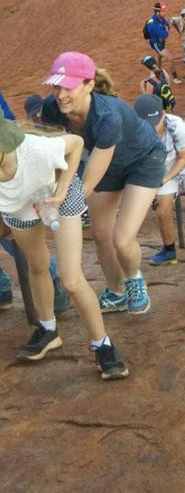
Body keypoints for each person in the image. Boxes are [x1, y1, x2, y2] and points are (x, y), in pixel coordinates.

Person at [0, 117, 129, 378]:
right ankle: (48, 330)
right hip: (17, 205)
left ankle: (102, 343)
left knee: (70, 278)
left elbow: (77, 143)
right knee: (37, 266)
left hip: (59, 190)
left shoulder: (36, 150)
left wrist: (59, 193)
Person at [41, 52, 166, 315]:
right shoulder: (53, 109)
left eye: (69, 86)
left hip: (143, 160)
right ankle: (116, 290)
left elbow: (92, 175)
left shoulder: (108, 116)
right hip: (109, 165)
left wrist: (65, 200)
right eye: (56, 86)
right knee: (100, 234)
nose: (61, 94)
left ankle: (134, 279)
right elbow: (53, 151)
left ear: (89, 84)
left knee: (122, 239)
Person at [133, 94, 185, 264]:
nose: (151, 128)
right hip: (165, 164)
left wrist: (162, 180)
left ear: (163, 114)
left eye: (154, 123)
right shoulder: (136, 129)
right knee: (162, 211)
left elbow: (183, 157)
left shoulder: (177, 126)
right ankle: (169, 250)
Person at [143, 2, 179, 82]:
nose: (165, 13)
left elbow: (166, 24)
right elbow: (164, 35)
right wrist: (166, 29)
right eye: (163, 11)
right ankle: (175, 77)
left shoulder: (160, 17)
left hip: (160, 41)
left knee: (159, 57)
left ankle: (157, 74)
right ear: (157, 12)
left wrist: (166, 26)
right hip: (157, 44)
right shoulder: (153, 25)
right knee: (170, 58)